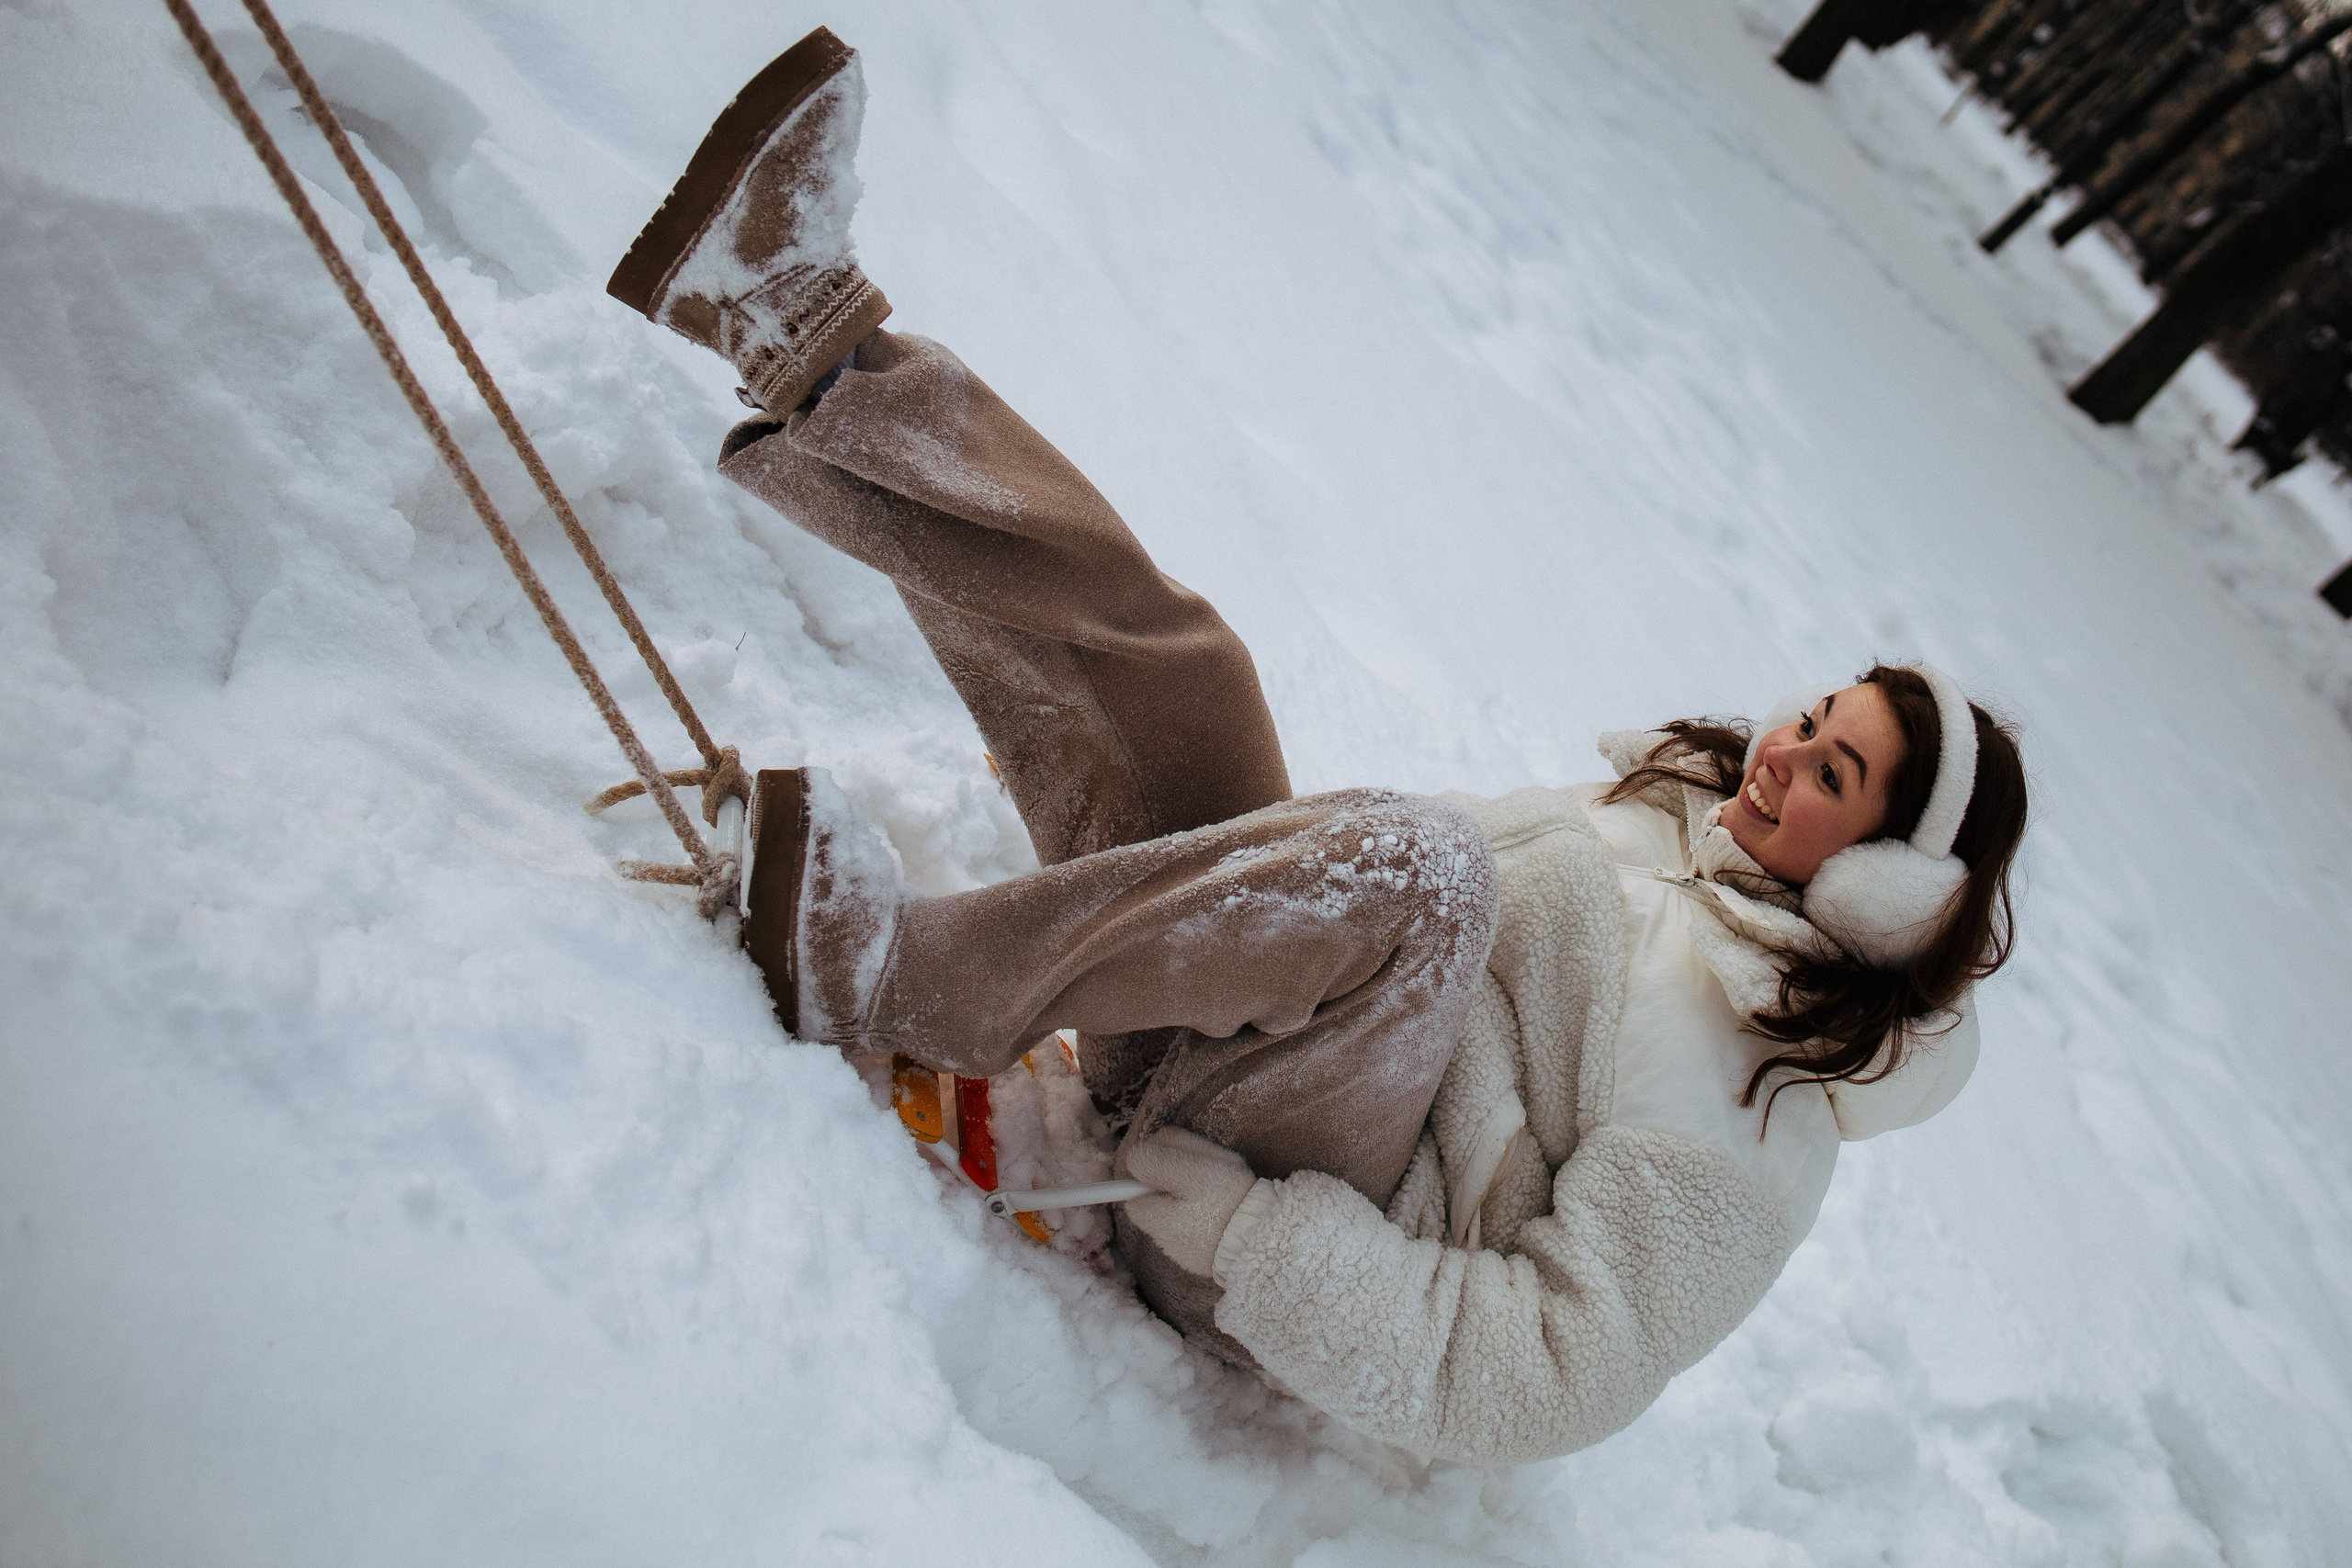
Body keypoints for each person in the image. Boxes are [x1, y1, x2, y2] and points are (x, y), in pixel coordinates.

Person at [605, 28, 2030, 1466]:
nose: (1780, 754)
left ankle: (879, 975)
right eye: (1813, 720)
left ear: (1888, 893)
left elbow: (1550, 1382)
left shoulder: (1762, 1111)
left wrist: (1254, 1241)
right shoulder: (1663, 828)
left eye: (1831, 777)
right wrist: (1165, 839)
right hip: (1242, 1078)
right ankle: (796, 329)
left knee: (1424, 870)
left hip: (1233, 1240)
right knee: (1191, 680)